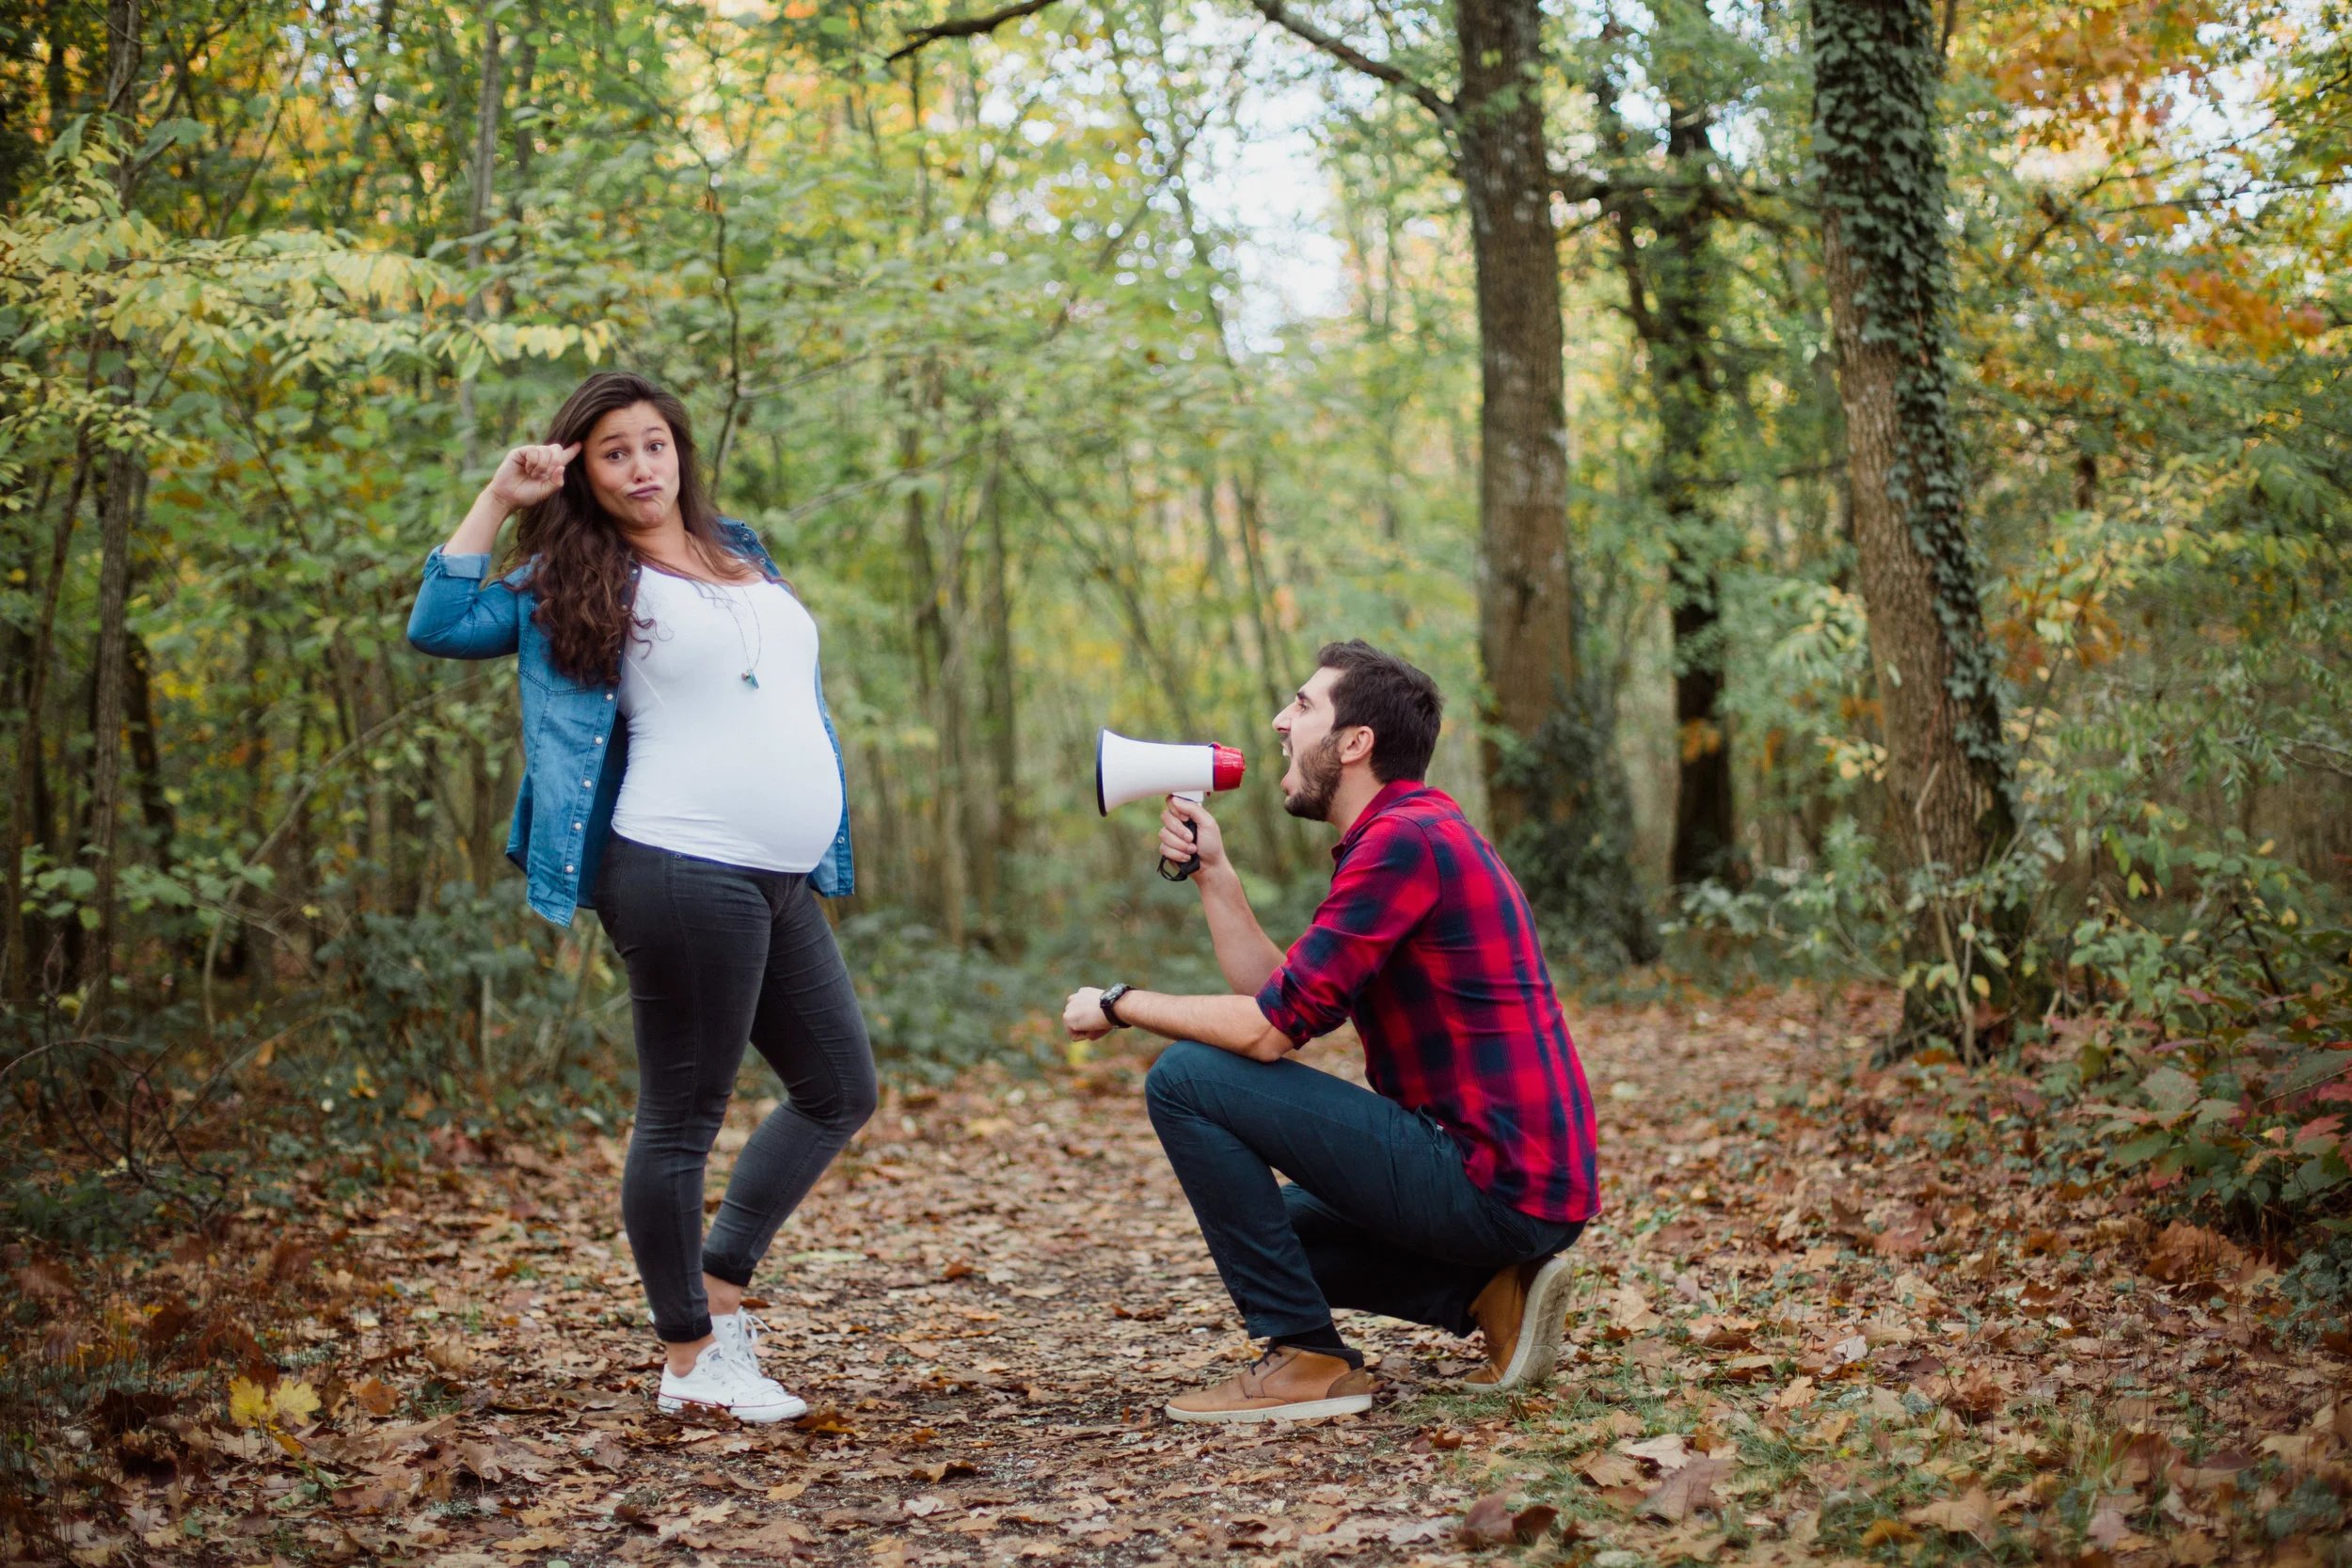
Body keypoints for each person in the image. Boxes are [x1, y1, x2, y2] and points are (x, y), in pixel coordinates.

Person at [406, 371, 874, 1423]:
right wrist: (500, 497)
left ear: (680, 452)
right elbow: (437, 624)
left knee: (840, 1085)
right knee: (681, 1116)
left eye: (654, 444)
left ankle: (712, 1290)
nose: (640, 467)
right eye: (613, 452)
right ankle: (690, 1358)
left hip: (780, 874)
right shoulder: (576, 574)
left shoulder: (743, 547)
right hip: (675, 861)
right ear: (586, 470)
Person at [1061, 641, 1599, 1423]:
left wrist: (1120, 1002)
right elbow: (1288, 1002)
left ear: (1356, 743)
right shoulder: (1411, 834)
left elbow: (1267, 1032)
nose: (1282, 720)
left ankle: (1306, 1360)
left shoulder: (1402, 843)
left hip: (1493, 1178)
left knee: (1184, 1077)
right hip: (1516, 1182)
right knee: (1269, 1236)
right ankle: (1488, 1290)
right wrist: (1216, 873)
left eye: (1304, 705)